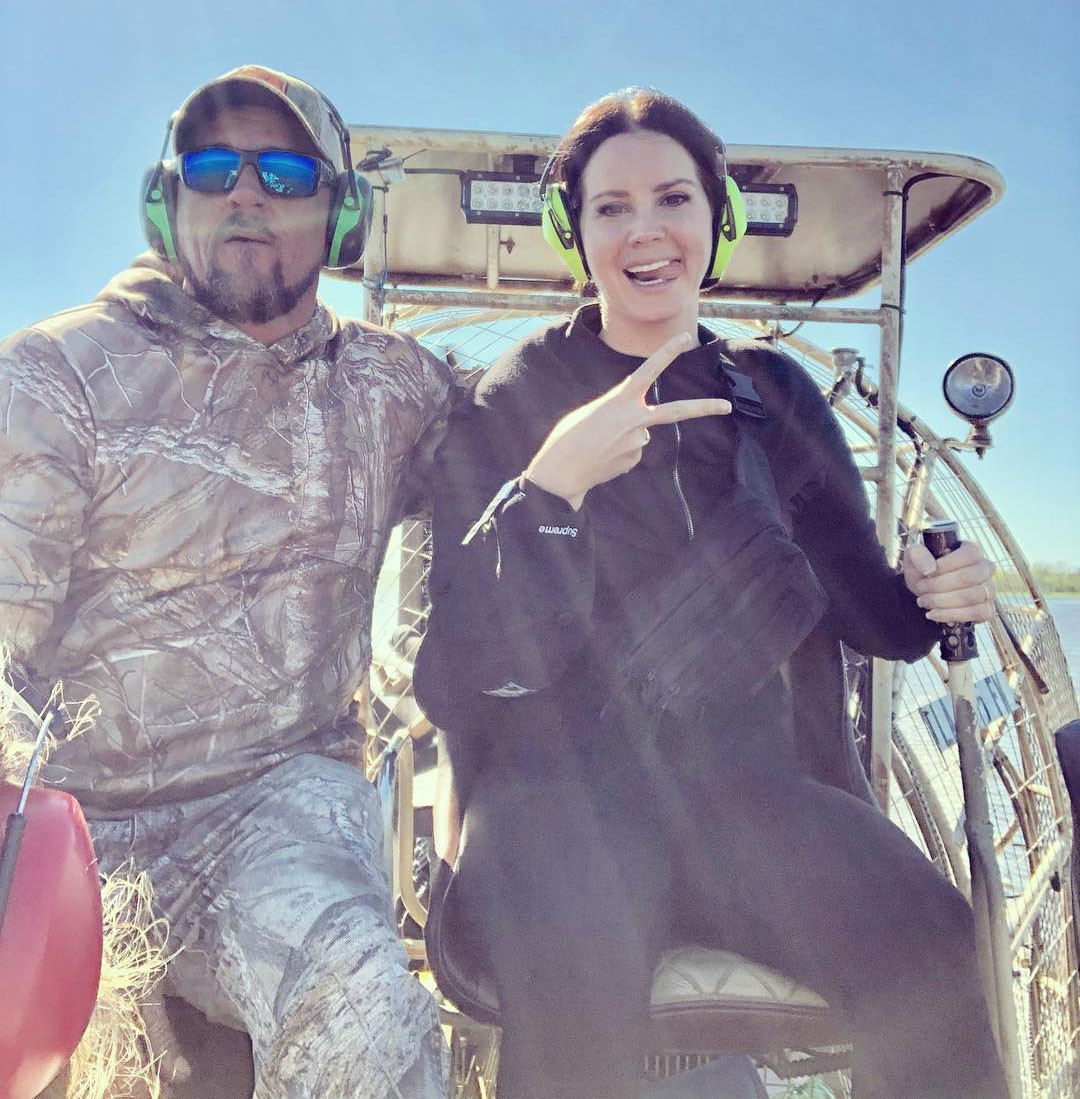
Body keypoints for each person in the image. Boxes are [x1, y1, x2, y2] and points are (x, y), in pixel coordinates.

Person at [414, 88, 1009, 1099]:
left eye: (673, 199)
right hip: (558, 800)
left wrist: (934, 589)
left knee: (933, 937)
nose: (645, 231)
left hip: (745, 796)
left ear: (717, 219)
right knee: (572, 969)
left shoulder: (773, 395)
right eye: (611, 207)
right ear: (575, 231)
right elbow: (460, 673)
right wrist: (550, 492)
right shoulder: (513, 396)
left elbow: (870, 612)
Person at [0, 65, 457, 1098]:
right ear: (168, 201)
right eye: (213, 168)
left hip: (275, 807)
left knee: (363, 1000)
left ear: (342, 215)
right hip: (69, 816)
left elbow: (536, 458)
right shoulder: (55, 374)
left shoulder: (393, 388)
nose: (246, 192)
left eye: (285, 173)